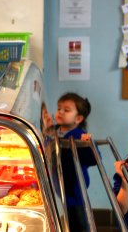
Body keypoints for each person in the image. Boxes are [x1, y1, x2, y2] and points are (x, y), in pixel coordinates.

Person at [54, 92, 96, 232]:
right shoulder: (54, 130)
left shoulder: (79, 135)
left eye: (66, 110)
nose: (60, 112)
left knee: (78, 220)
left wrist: (88, 145)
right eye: (59, 108)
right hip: (58, 182)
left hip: (74, 186)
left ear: (78, 118)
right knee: (62, 215)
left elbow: (93, 159)